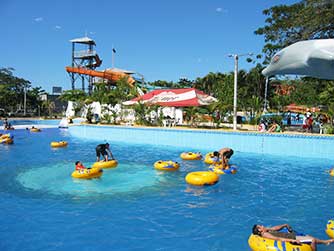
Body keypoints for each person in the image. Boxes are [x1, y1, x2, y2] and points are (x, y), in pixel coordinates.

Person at [252, 224, 334, 251]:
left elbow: (275, 228)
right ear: (259, 230)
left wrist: (284, 225)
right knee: (312, 240)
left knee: (309, 237)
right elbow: (279, 239)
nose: (262, 225)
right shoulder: (265, 234)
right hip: (291, 238)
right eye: (260, 226)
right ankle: (326, 242)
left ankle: (326, 242)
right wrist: (292, 240)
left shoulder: (266, 230)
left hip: (290, 235)